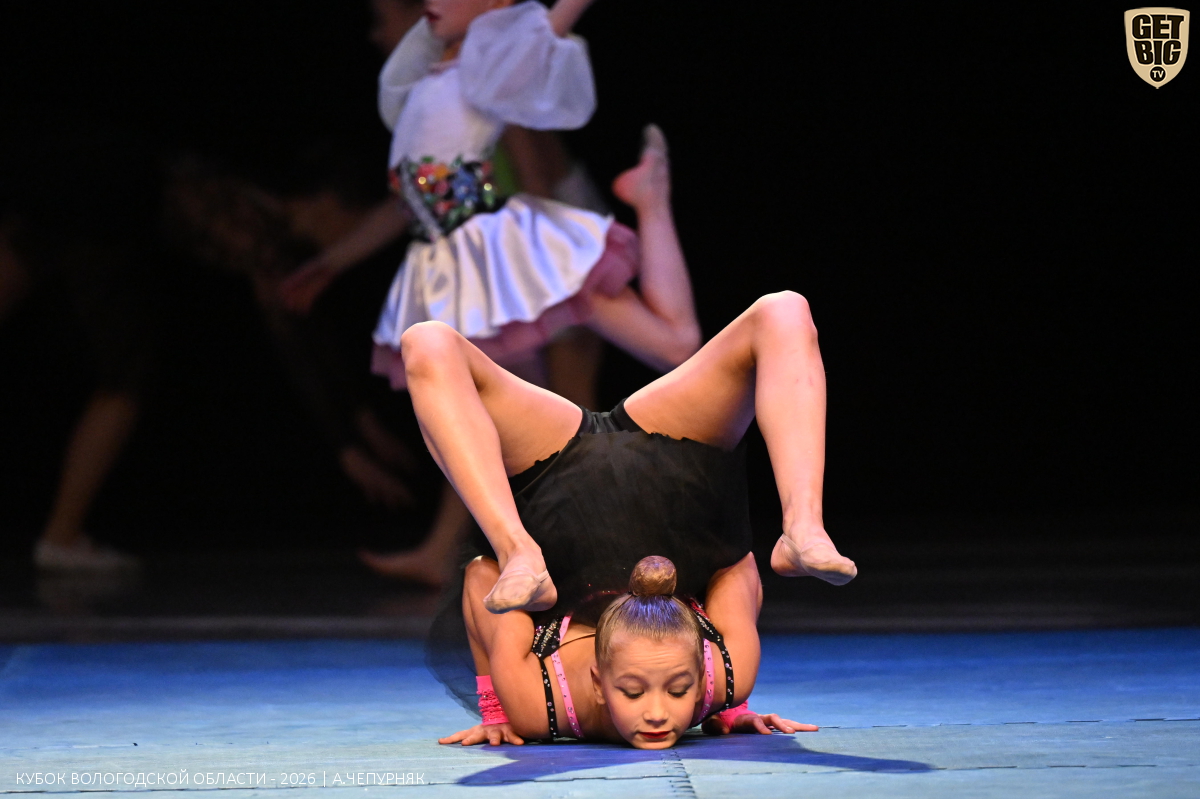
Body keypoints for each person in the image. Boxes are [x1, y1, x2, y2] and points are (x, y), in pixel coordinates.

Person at [403, 285, 856, 747]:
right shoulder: (727, 674)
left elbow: (481, 577)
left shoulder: (538, 705)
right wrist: (726, 705)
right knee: (783, 311)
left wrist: (496, 710)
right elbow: (737, 568)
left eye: (676, 690)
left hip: (551, 487)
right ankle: (517, 549)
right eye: (639, 691)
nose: (657, 713)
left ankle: (803, 526)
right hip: (676, 477)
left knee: (428, 343)